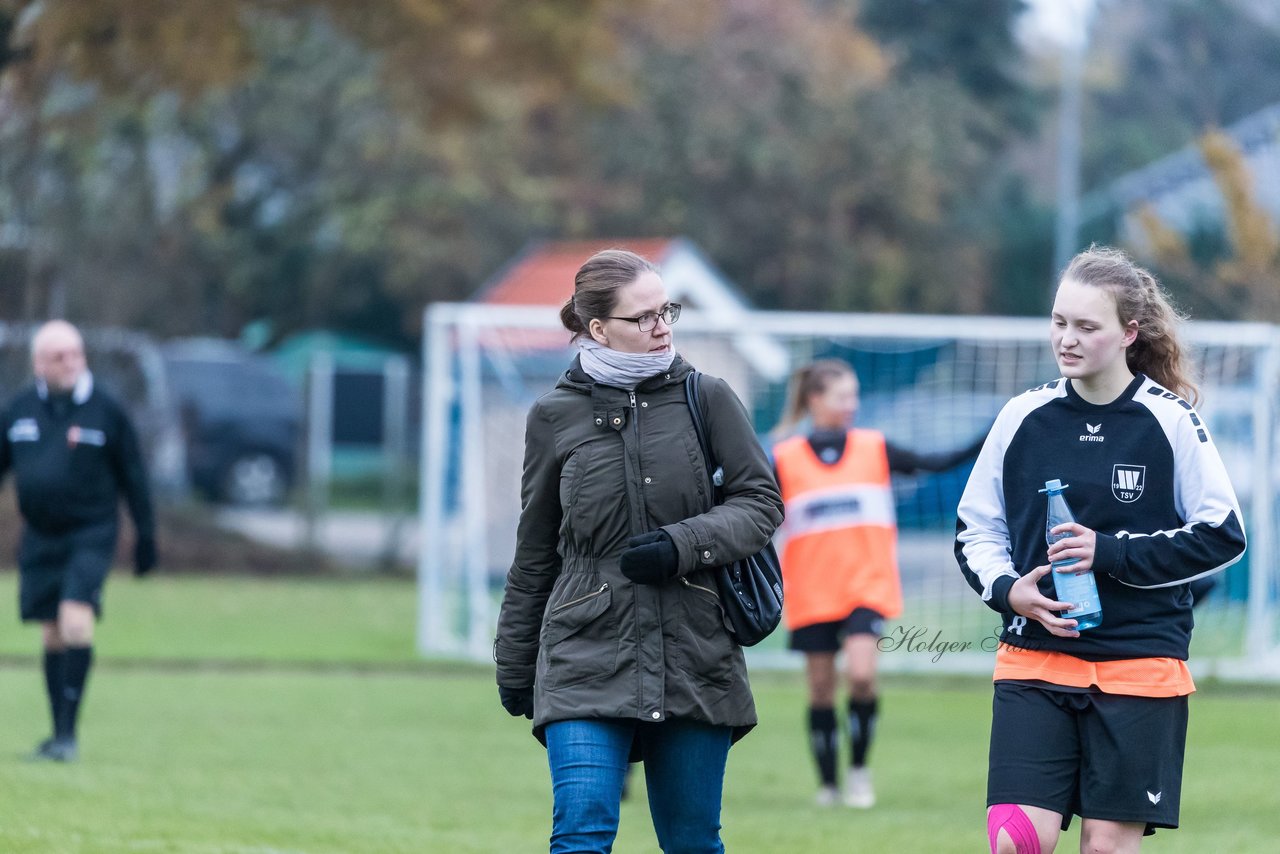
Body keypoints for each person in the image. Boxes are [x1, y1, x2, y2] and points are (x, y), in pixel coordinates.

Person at [955, 246, 1246, 853]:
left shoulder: (1169, 421)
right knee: (1015, 842)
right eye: (1060, 322)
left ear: (1129, 332)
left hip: (1140, 666)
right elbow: (974, 529)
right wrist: (1011, 591)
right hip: (1033, 660)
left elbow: (1223, 535)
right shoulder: (1021, 417)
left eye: (1087, 326)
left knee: (1106, 847)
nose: (1068, 339)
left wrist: (1109, 552)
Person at [493, 249, 784, 853]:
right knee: (580, 833)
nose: (663, 328)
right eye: (644, 317)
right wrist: (516, 663)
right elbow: (535, 553)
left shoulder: (709, 397)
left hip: (694, 650)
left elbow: (762, 505)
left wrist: (683, 544)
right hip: (582, 652)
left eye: (666, 311)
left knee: (691, 843)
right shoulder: (553, 415)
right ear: (597, 328)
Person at [771, 358, 985, 808]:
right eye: (842, 396)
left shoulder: (874, 448)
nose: (852, 405)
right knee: (821, 690)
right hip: (812, 590)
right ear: (815, 400)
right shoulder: (784, 459)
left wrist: (991, 433)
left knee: (864, 676)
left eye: (854, 396)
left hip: (865, 587)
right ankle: (828, 786)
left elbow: (937, 461)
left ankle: (859, 771)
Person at [0, 320, 157, 762]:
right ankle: (56, 735)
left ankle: (68, 738)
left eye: (76, 354)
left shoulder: (107, 410)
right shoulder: (18, 410)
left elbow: (135, 478)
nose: (70, 363)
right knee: (51, 633)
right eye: (59, 356)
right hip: (40, 535)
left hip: (91, 531)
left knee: (74, 620)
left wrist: (146, 537)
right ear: (38, 363)